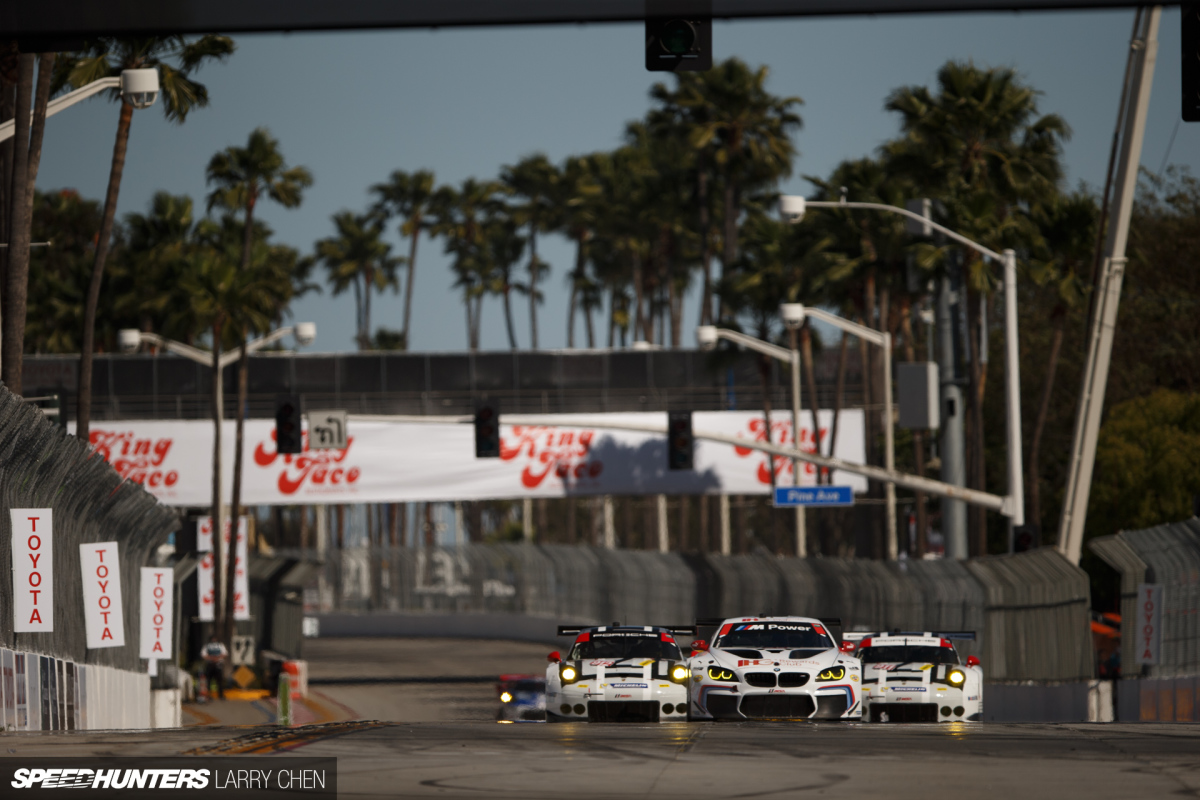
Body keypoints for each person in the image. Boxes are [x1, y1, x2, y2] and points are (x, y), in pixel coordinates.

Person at [202, 636, 228, 700]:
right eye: (212, 639)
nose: (214, 640)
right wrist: (211, 658)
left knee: (220, 681)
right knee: (208, 681)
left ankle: (221, 695)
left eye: (215, 639)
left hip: (218, 665)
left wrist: (217, 658)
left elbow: (225, 654)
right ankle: (208, 695)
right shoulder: (207, 646)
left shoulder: (220, 645)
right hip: (210, 665)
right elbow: (203, 654)